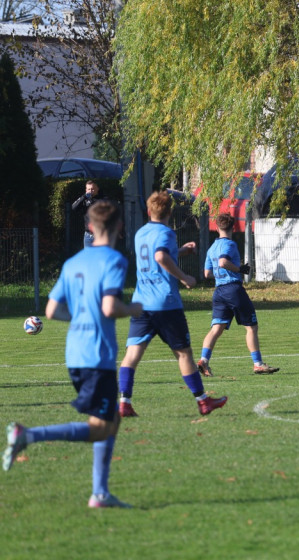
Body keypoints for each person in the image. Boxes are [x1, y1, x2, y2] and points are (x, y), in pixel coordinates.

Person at [4, 201, 142, 508]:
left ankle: (100, 493)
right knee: (100, 428)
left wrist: (81, 316)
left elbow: (52, 310)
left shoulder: (73, 262)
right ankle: (28, 436)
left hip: (76, 352)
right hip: (96, 354)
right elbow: (110, 307)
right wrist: (134, 308)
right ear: (120, 227)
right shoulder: (114, 260)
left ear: (90, 227)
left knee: (111, 420)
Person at [117, 191, 228, 417]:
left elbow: (157, 255)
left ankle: (124, 403)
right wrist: (184, 277)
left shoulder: (140, 233)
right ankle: (203, 402)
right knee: (184, 354)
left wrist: (181, 251)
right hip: (165, 303)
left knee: (132, 354)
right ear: (169, 212)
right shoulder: (166, 232)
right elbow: (160, 257)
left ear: (149, 211)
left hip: (141, 303)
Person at [197, 213, 279, 376]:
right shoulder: (230, 244)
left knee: (216, 329)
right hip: (233, 289)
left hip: (219, 292)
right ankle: (258, 364)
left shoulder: (211, 248)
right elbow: (223, 262)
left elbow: (207, 273)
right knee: (251, 327)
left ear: (217, 228)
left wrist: (221, 274)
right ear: (233, 227)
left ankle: (203, 361)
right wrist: (239, 269)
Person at [72, 180, 105, 249]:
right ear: (86, 190)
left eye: (92, 189)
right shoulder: (84, 199)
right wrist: (84, 197)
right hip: (88, 235)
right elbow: (74, 207)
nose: (90, 191)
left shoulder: (103, 200)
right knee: (88, 255)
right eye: (89, 189)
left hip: (100, 234)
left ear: (97, 188)